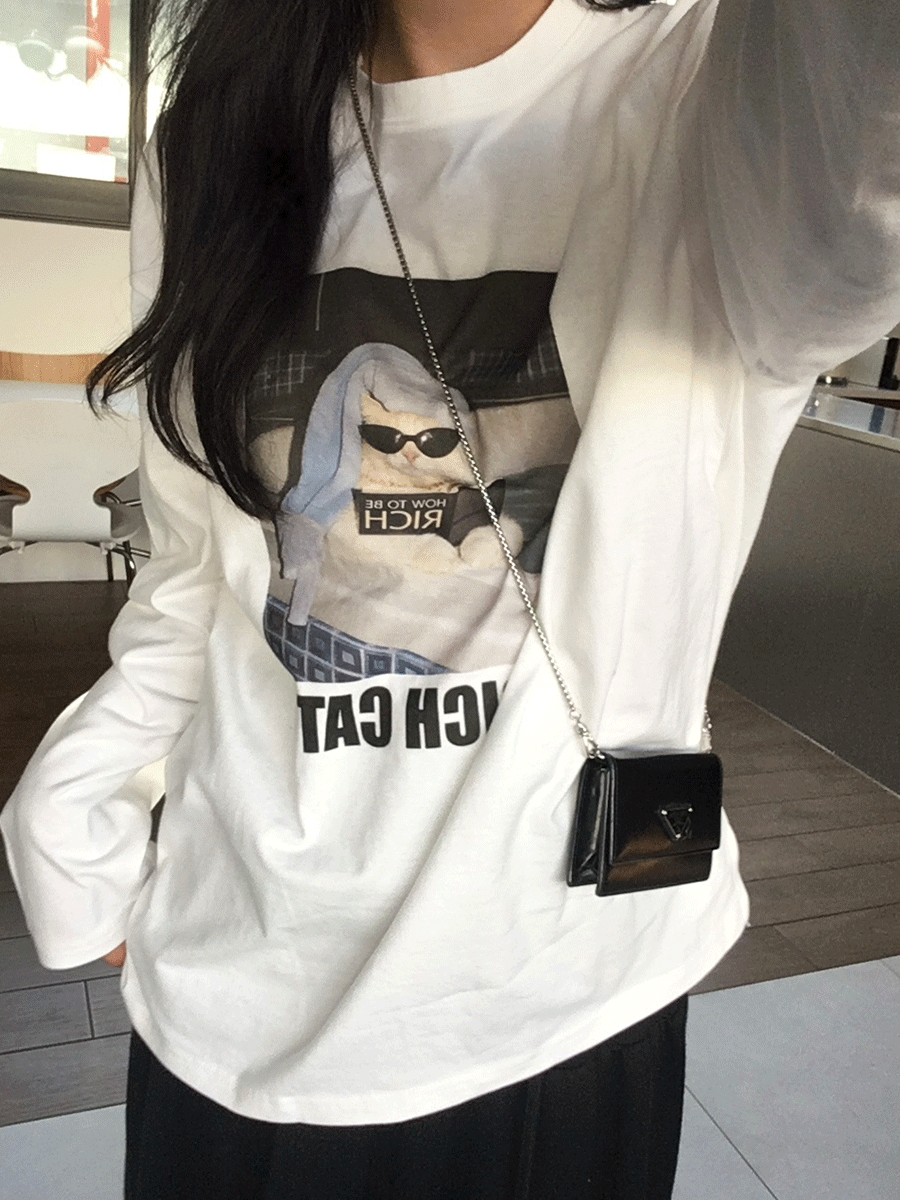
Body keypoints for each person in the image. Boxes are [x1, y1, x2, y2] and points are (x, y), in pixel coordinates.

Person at [2, 1, 899, 1196]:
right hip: (229, 988)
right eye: (384, 441)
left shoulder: (732, 95)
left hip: (555, 1008)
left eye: (437, 445)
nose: (416, 465)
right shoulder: (219, 127)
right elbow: (197, 572)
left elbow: (861, 176)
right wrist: (74, 809)